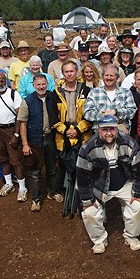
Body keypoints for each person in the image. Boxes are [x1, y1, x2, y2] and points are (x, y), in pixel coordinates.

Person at [78, 115, 140, 254]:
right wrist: (87, 201)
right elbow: (82, 177)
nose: (108, 133)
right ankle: (99, 240)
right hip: (99, 186)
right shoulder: (88, 148)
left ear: (117, 129)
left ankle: (131, 236)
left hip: (124, 184)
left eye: (112, 129)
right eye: (104, 130)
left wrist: (138, 194)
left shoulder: (129, 143)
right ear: (98, 130)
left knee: (138, 207)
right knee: (89, 212)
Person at [50, 61, 92, 195]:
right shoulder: (56, 92)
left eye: (72, 71)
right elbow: (53, 116)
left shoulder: (86, 90)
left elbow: (90, 114)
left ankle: (83, 192)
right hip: (64, 135)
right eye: (66, 72)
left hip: (83, 134)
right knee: (64, 164)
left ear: (77, 72)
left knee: (83, 165)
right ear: (62, 73)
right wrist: (65, 131)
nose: (69, 74)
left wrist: (78, 130)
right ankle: (66, 191)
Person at [17, 74, 58, 210]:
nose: (41, 87)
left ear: (47, 84)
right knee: (35, 172)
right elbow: (22, 124)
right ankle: (36, 199)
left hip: (50, 138)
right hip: (34, 141)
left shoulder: (53, 97)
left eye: (43, 84)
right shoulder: (27, 101)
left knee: (52, 168)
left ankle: (52, 192)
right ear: (33, 86)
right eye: (38, 85)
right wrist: (25, 144)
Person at [0, 72, 25, 199]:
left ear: (6, 81)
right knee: (2, 158)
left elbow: (20, 116)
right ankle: (8, 183)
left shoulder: (13, 94)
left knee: (16, 159)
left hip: (11, 129)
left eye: (2, 81)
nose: (0, 84)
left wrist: (16, 135)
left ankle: (22, 187)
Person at [84, 64, 137, 132]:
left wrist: (116, 112)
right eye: (106, 75)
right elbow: (87, 113)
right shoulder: (94, 92)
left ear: (117, 77)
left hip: (121, 133)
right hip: (99, 133)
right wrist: (105, 117)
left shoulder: (126, 92)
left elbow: (132, 111)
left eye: (111, 75)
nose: (109, 78)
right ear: (102, 76)